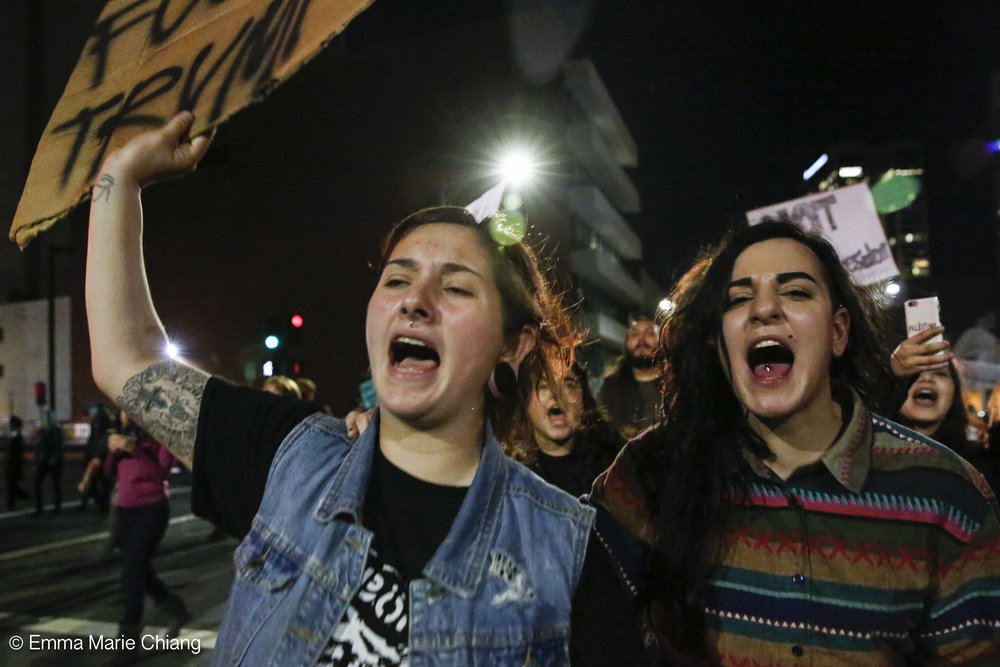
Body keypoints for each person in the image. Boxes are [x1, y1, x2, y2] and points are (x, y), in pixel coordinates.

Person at [85, 112, 643, 663]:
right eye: (397, 278)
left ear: (513, 346)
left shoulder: (564, 553)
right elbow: (126, 359)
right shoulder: (291, 461)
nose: (414, 299)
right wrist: (122, 179)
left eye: (456, 287)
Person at [589, 220, 1000, 663]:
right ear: (717, 342)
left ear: (838, 332)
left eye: (796, 292)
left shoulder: (949, 497)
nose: (764, 310)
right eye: (739, 298)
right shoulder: (651, 475)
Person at [105, 411, 189, 644]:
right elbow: (110, 469)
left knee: (131, 571)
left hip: (151, 510)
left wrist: (135, 450)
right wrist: (113, 451)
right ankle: (175, 609)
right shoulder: (126, 435)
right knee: (139, 569)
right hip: (124, 512)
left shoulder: (161, 437)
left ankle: (127, 637)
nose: (124, 414)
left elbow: (161, 470)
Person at [510, 362, 623, 497]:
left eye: (569, 385)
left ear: (583, 399)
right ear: (526, 400)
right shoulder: (506, 469)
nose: (557, 395)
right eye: (544, 385)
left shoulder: (616, 465)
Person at [597, 318, 662, 439]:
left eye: (650, 333)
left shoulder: (675, 386)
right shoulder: (609, 388)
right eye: (635, 333)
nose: (641, 339)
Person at [77, 402, 113, 513]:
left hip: (98, 453)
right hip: (100, 453)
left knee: (97, 481)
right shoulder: (104, 420)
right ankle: (98, 504)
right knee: (100, 482)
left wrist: (95, 454)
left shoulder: (99, 420)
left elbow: (96, 439)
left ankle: (101, 504)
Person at [33, 409, 64, 516]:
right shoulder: (41, 431)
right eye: (46, 418)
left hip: (54, 461)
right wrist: (37, 460)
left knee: (55, 485)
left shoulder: (57, 431)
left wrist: (54, 458)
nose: (47, 420)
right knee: (37, 484)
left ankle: (57, 508)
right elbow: (38, 447)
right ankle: (39, 508)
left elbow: (59, 446)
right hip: (43, 461)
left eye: (49, 417)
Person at [5, 416, 29, 509]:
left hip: (15, 464)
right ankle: (14, 501)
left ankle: (22, 498)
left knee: (11, 484)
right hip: (14, 464)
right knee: (12, 484)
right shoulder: (16, 436)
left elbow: (16, 452)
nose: (10, 426)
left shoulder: (18, 437)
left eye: (11, 424)